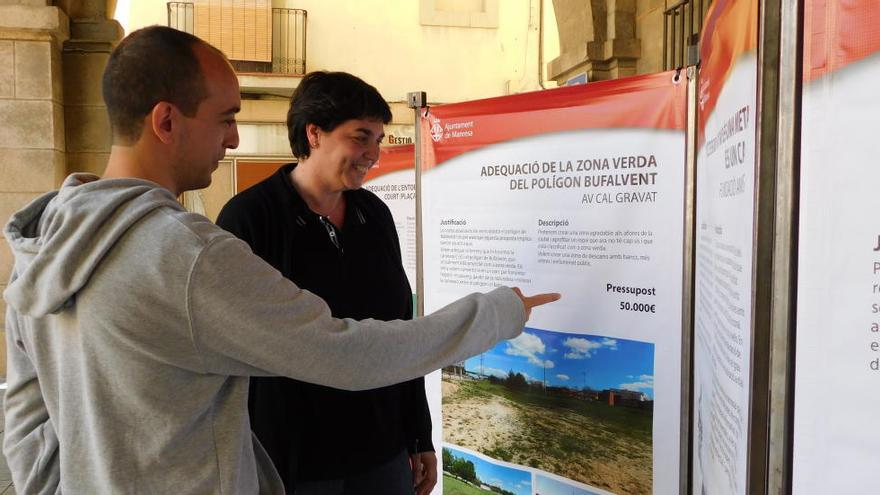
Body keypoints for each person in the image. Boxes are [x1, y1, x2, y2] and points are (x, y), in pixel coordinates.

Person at [1, 26, 560, 494]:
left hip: (374, 452)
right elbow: (341, 351)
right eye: (225, 119)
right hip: (300, 464)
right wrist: (494, 315)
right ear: (166, 122)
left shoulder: (44, 238)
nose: (236, 139)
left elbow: (26, 421)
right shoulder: (191, 256)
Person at [216, 72, 429, 494]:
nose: (374, 154)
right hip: (294, 462)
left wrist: (418, 433)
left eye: (379, 140)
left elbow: (400, 328)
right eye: (361, 137)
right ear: (314, 133)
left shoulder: (375, 215)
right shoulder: (249, 219)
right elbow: (233, 349)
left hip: (382, 453)